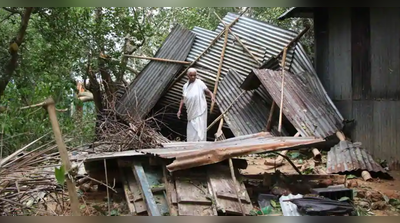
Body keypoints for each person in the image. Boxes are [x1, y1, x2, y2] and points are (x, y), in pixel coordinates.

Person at [177, 68, 215, 142]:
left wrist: (212, 96)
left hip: (200, 110)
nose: (193, 77)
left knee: (199, 127)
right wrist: (179, 110)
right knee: (192, 128)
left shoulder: (199, 83)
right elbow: (183, 98)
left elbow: (207, 91)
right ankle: (191, 143)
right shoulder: (185, 86)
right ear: (187, 75)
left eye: (194, 75)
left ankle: (200, 143)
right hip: (191, 112)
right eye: (191, 75)